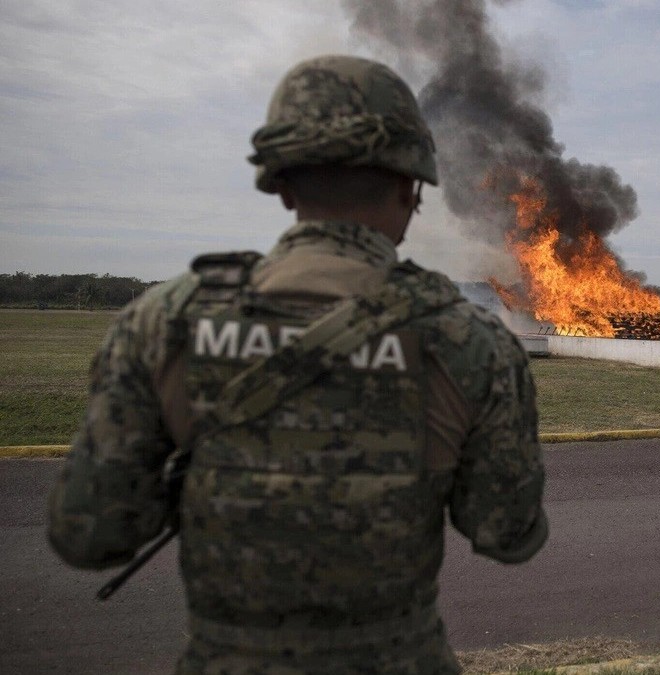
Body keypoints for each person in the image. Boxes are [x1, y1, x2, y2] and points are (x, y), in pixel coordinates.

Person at [48, 55, 548, 674]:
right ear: (410, 187)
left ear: (282, 184)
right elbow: (510, 534)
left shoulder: (166, 321)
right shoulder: (471, 341)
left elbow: (90, 535)